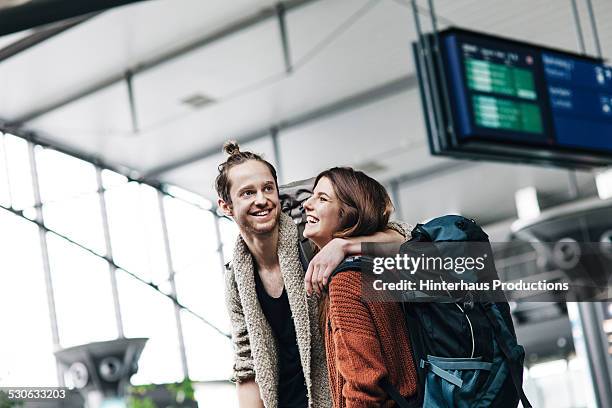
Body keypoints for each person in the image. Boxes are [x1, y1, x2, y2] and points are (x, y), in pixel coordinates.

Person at [216, 142, 409, 408]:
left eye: (268, 188)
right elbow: (247, 365)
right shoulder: (238, 278)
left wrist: (343, 245)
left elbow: (407, 238)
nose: (261, 200)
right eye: (247, 193)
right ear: (226, 207)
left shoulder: (310, 241)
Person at [302, 167, 419, 407]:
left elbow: (363, 386)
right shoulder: (383, 271)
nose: (307, 204)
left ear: (348, 216)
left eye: (322, 198)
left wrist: (342, 245)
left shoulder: (347, 282)